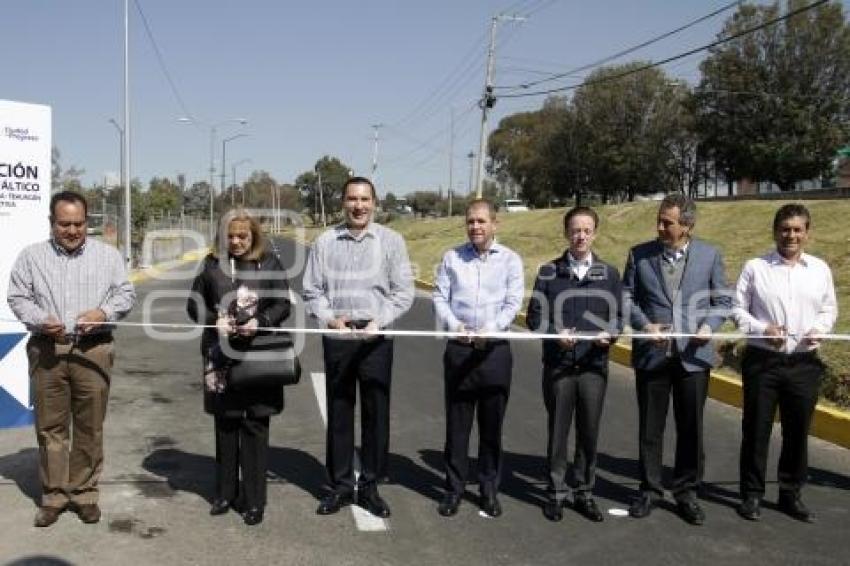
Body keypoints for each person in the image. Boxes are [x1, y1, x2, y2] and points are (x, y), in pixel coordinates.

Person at [7, 191, 135, 527]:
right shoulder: (31, 257)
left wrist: (103, 311)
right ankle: (54, 496)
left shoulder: (108, 257)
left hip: (93, 349)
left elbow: (126, 293)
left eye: (78, 223)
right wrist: (39, 318)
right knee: (51, 428)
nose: (73, 230)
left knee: (90, 426)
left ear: (86, 222)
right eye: (65, 224)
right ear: (52, 223)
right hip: (47, 350)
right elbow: (17, 296)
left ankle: (84, 494)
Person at [302, 177, 414, 518]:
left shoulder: (391, 241)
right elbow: (312, 291)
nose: (359, 205)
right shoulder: (324, 242)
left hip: (376, 337)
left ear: (375, 203)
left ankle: (369, 486)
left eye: (365, 199)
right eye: (352, 199)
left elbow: (403, 292)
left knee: (375, 412)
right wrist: (330, 319)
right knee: (339, 411)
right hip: (338, 336)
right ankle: (338, 486)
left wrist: (378, 321)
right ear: (343, 203)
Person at [622, 193, 730, 525]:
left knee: (691, 429)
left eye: (667, 222)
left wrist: (709, 326)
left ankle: (686, 493)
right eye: (659, 219)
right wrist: (643, 324)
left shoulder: (710, 256)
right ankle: (650, 490)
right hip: (653, 354)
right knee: (650, 429)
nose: (659, 226)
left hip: (693, 357)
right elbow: (626, 297)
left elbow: (722, 300)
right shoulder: (639, 255)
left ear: (687, 225)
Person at [186, 210, 291, 526]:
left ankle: (255, 500)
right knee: (226, 424)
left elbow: (282, 304)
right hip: (220, 356)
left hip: (260, 355)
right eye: (230, 236)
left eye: (242, 236)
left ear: (254, 235)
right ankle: (225, 493)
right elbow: (194, 304)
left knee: (256, 425)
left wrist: (260, 322)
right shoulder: (211, 264)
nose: (235, 242)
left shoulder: (270, 263)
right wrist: (212, 321)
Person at [733, 203, 837, 523]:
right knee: (756, 428)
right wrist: (762, 329)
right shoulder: (755, 267)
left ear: (807, 233)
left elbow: (829, 309)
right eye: (785, 229)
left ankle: (790, 493)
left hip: (804, 363)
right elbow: (737, 310)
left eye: (797, 229)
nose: (791, 235)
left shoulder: (820, 269)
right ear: (775, 231)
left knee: (797, 431)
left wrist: (820, 329)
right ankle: (751, 495)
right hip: (763, 362)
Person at [526, 206, 622, 523]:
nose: (580, 236)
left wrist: (611, 335)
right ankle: (556, 493)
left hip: (593, 367)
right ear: (566, 232)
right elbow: (535, 319)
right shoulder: (548, 273)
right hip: (559, 366)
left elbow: (618, 318)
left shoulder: (609, 274)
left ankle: (584, 492)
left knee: (589, 432)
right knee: (558, 431)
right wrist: (555, 335)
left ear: (595, 233)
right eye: (575, 230)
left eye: (586, 230)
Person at [433, 199, 524, 518]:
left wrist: (493, 328)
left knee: (491, 426)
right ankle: (453, 490)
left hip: (495, 352)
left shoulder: (511, 260)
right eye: (470, 221)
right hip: (459, 350)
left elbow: (513, 302)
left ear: (495, 224)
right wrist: (454, 325)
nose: (475, 227)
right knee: (457, 427)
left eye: (482, 221)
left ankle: (488, 490)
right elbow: (440, 298)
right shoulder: (451, 258)